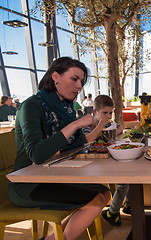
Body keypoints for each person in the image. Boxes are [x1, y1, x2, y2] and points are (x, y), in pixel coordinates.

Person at [8, 57, 111, 240]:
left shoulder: (66, 109)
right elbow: (37, 155)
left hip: (54, 175)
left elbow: (80, 142)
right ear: (55, 76)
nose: (79, 86)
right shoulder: (31, 106)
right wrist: (75, 125)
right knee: (96, 202)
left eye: (81, 81)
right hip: (28, 183)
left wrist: (97, 125)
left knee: (105, 192)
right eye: (75, 79)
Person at [82, 95, 128, 227]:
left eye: (110, 113)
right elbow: (87, 140)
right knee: (124, 182)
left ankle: (129, 205)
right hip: (92, 164)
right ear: (95, 111)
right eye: (104, 113)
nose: (108, 116)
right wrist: (100, 127)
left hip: (107, 160)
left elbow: (120, 128)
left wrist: (110, 128)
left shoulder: (109, 123)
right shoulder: (88, 124)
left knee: (128, 172)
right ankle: (112, 213)